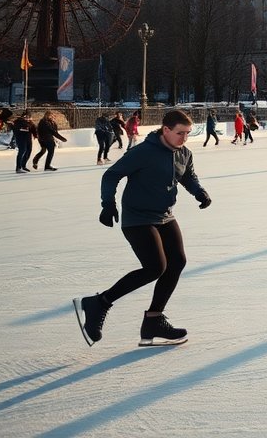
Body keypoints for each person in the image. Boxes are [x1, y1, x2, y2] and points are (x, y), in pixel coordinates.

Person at [74, 109, 211, 347]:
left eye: (188, 133)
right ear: (165, 130)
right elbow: (111, 175)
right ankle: (99, 303)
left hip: (165, 216)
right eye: (180, 133)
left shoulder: (184, 153)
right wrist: (108, 204)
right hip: (137, 218)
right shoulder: (143, 152)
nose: (184, 138)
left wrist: (199, 191)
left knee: (177, 262)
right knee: (155, 267)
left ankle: (153, 321)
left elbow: (187, 175)